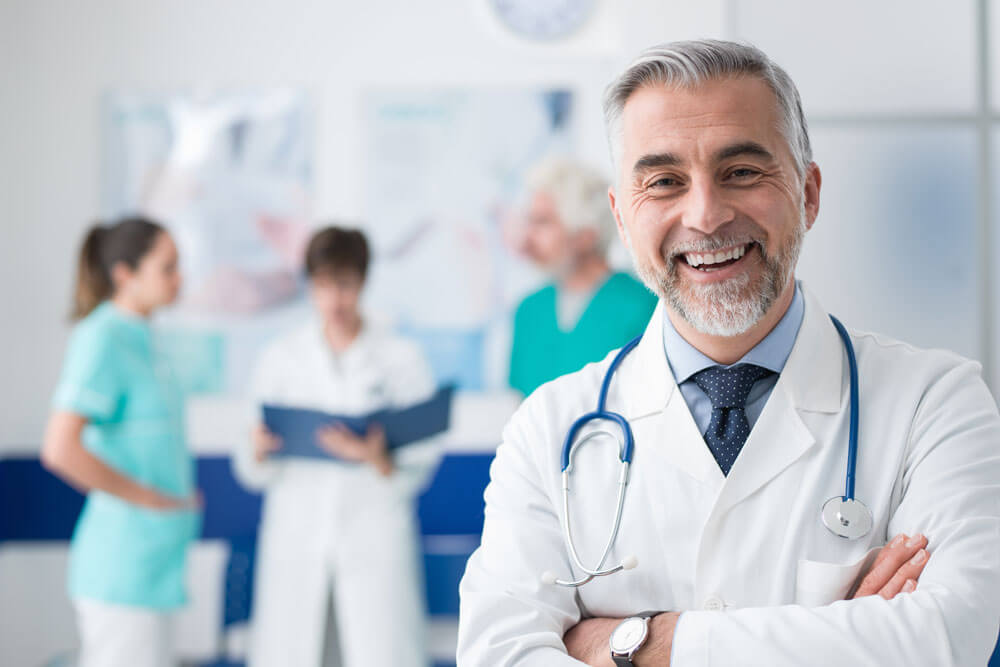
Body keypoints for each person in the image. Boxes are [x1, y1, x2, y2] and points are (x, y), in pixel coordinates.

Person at [458, 40, 1000, 666]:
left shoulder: (936, 404)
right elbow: (499, 656)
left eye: (741, 171)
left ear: (809, 192)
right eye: (664, 181)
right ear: (622, 219)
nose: (706, 215)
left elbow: (945, 638)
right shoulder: (548, 431)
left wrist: (631, 644)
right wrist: (841, 635)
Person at [234, 226, 439, 667]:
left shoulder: (401, 358)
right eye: (323, 287)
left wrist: (378, 459)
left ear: (362, 283)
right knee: (294, 650)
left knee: (379, 650)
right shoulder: (281, 358)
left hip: (374, 534)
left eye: (344, 285)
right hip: (297, 535)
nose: (334, 300)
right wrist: (259, 449)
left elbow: (422, 459)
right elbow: (248, 468)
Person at [42, 217, 200, 667]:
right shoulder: (102, 338)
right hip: (122, 568)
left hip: (158, 565)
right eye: (167, 268)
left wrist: (178, 499)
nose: (179, 278)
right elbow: (59, 448)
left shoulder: (148, 341)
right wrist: (147, 498)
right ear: (124, 274)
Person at [508, 156, 656, 396]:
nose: (528, 237)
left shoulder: (643, 307)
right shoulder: (529, 311)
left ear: (586, 233)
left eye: (543, 222)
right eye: (529, 221)